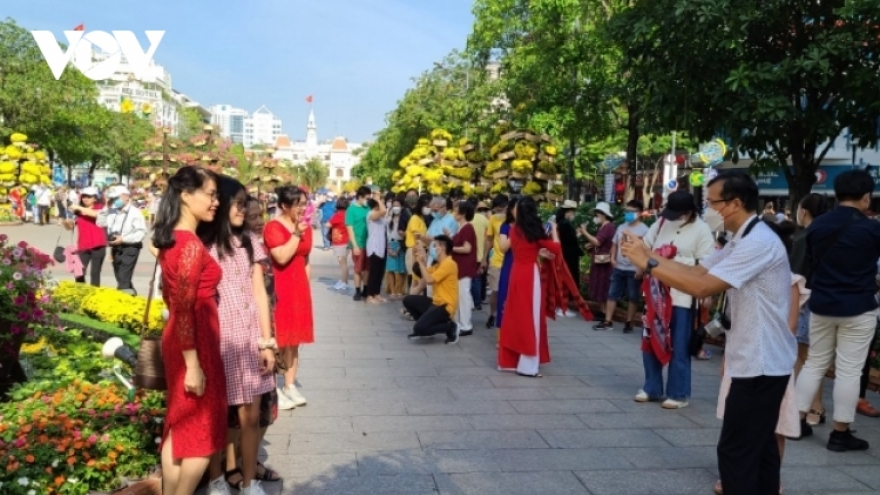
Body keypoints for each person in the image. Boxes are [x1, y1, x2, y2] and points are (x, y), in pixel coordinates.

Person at [621, 171, 796, 495]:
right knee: (761, 449)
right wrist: (647, 257)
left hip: (762, 361)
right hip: (758, 359)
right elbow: (699, 270)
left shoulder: (757, 242)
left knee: (737, 451)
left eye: (712, 202)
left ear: (734, 204)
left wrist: (648, 263)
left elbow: (702, 286)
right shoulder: (742, 237)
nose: (709, 208)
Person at [152, 166, 227, 495]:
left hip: (184, 340)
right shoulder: (191, 246)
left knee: (179, 424)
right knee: (203, 431)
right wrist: (194, 365)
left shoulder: (171, 240)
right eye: (210, 194)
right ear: (186, 195)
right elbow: (183, 307)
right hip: (194, 343)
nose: (215, 202)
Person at [200, 177, 276, 495]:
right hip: (219, 340)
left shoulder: (249, 241)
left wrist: (267, 341)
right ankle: (217, 478)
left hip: (249, 338)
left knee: (250, 416)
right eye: (238, 203)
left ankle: (248, 482)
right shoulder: (203, 245)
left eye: (246, 204)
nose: (243, 210)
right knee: (218, 414)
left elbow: (260, 292)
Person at [795, 169, 880, 451]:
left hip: (822, 304)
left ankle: (796, 421)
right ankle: (840, 433)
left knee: (814, 363)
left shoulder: (817, 227)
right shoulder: (873, 229)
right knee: (849, 371)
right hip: (859, 306)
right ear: (866, 197)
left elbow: (809, 265)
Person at [634, 190, 714, 409]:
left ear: (688, 212)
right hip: (655, 291)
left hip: (682, 294)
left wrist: (706, 292)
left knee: (679, 344)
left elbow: (707, 262)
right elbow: (645, 246)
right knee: (651, 340)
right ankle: (652, 386)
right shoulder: (661, 223)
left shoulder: (702, 230)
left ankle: (678, 393)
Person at [497, 196, 561, 377]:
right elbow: (555, 248)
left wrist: (538, 251)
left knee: (514, 317)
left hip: (515, 273)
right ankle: (527, 366)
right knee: (530, 319)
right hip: (530, 276)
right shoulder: (536, 230)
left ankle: (509, 361)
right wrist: (554, 230)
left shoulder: (515, 229)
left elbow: (523, 247)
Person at [264, 186, 313, 408]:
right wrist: (296, 235)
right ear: (284, 206)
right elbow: (281, 257)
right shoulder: (273, 228)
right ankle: (273, 386)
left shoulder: (305, 227)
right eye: (298, 204)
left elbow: (306, 259)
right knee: (280, 338)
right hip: (279, 287)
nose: (303, 209)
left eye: (305, 204)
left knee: (294, 340)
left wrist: (306, 287)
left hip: (298, 288)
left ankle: (290, 385)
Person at [789, 193, 830, 425]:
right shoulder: (828, 235)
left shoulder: (804, 237)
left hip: (805, 300)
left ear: (803, 211)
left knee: (805, 357)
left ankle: (811, 406)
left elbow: (796, 276)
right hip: (825, 298)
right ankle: (813, 406)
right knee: (813, 357)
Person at [402, 235, 459, 343]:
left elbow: (429, 280)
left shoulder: (449, 264)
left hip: (445, 306)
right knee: (408, 300)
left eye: (435, 246)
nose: (432, 248)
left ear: (441, 248)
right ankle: (427, 329)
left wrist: (421, 263)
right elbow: (420, 272)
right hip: (436, 303)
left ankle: (449, 326)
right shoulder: (439, 264)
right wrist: (419, 258)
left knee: (418, 329)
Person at [602, 200, 648, 333]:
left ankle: (629, 322)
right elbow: (614, 244)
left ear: (639, 213)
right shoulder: (621, 227)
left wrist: (640, 268)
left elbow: (646, 251)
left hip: (634, 269)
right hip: (619, 267)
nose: (628, 214)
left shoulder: (645, 230)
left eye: (631, 211)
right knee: (612, 294)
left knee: (633, 296)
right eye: (626, 211)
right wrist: (612, 258)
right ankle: (608, 320)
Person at [98, 186, 147, 295]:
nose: (114, 201)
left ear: (126, 196)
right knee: (120, 277)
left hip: (130, 247)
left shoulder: (135, 212)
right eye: (113, 198)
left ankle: (122, 304)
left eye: (116, 198)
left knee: (123, 278)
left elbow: (142, 232)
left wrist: (123, 238)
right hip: (115, 247)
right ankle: (133, 297)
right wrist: (106, 207)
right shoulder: (112, 211)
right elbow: (100, 223)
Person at [580, 202, 616, 324]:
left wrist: (584, 232)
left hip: (604, 261)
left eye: (597, 214)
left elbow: (598, 242)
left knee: (604, 285)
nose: (595, 217)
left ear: (604, 215)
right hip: (599, 260)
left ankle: (605, 312)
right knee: (600, 285)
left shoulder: (608, 227)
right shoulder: (603, 227)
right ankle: (602, 311)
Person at [65, 186, 107, 286]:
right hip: (83, 246)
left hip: (98, 245)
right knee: (78, 273)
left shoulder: (100, 208)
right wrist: (67, 222)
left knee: (95, 273)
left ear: (95, 198)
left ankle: (94, 295)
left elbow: (95, 215)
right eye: (84, 196)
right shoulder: (78, 212)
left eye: (89, 196)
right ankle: (81, 292)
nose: (86, 198)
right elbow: (70, 227)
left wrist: (78, 207)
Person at [451, 200, 478, 336]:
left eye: (456, 210)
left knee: (464, 296)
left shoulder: (467, 228)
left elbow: (467, 248)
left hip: (464, 267)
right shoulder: (461, 227)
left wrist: (451, 248)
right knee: (460, 295)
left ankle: (466, 325)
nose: (454, 213)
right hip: (459, 266)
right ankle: (460, 323)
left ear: (463, 213)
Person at [555, 200, 583, 318]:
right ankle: (563, 307)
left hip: (565, 255)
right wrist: (580, 233)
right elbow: (570, 240)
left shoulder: (560, 222)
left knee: (564, 280)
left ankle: (561, 306)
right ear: (569, 211)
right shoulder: (565, 224)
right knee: (568, 280)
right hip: (568, 256)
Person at [485, 194, 509, 328]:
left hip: (509, 261)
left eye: (501, 209)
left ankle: (505, 315)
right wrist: (484, 258)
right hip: (496, 261)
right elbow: (489, 240)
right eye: (496, 209)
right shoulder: (493, 219)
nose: (498, 212)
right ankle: (493, 314)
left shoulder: (513, 220)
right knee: (495, 291)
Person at [346, 186, 371, 301]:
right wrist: (355, 245)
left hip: (369, 243)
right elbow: (350, 228)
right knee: (358, 268)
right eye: (366, 198)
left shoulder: (369, 208)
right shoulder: (351, 210)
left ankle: (365, 289)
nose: (368, 200)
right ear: (360, 197)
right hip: (358, 243)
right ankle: (357, 290)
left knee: (367, 268)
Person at [405, 194, 433, 296]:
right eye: (427, 206)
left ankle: (411, 305)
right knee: (416, 281)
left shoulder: (422, 219)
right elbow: (417, 237)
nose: (429, 209)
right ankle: (409, 304)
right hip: (415, 250)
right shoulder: (415, 218)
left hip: (420, 251)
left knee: (417, 281)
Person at [364, 196, 388, 304]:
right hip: (374, 246)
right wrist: (378, 199)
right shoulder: (371, 214)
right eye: (381, 202)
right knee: (374, 272)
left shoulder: (381, 216)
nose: (383, 204)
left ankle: (376, 293)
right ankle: (369, 295)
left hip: (382, 246)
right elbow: (383, 210)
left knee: (380, 272)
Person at [470, 200, 491, 311]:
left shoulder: (466, 219)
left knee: (471, 279)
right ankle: (478, 301)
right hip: (482, 253)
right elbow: (489, 233)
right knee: (478, 279)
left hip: (469, 253)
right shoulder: (484, 219)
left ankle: (473, 301)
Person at [385, 197, 408, 298]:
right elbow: (387, 234)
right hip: (391, 244)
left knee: (401, 269)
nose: (395, 207)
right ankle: (392, 291)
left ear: (402, 206)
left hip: (401, 245)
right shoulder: (389, 219)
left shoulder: (405, 219)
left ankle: (399, 290)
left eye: (398, 205)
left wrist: (399, 248)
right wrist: (389, 248)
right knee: (391, 269)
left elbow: (405, 235)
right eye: (394, 205)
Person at [327, 197, 351, 291]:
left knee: (342, 264)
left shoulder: (338, 215)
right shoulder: (348, 214)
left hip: (340, 242)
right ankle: (344, 281)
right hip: (347, 241)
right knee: (344, 263)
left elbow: (328, 224)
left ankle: (343, 283)